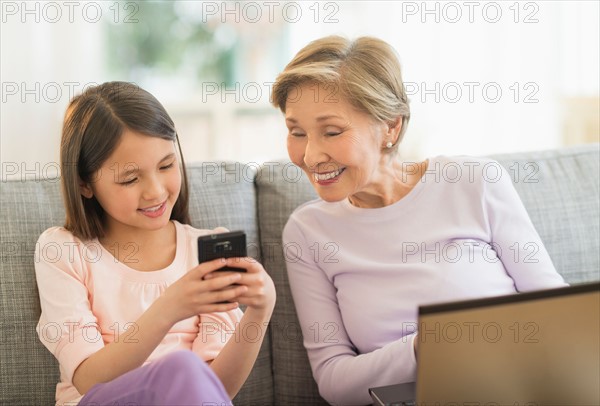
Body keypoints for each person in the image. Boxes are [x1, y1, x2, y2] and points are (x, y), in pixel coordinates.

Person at [271, 36, 567, 405]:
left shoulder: (473, 182)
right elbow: (333, 381)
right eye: (296, 132)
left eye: (332, 132)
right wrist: (424, 346)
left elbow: (559, 313)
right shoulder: (308, 231)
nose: (311, 155)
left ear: (391, 127)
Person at [34, 81, 276, 406]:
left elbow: (217, 390)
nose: (156, 191)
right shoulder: (63, 250)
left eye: (166, 165)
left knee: (188, 372)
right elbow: (89, 379)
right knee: (182, 367)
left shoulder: (203, 249)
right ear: (84, 184)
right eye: (130, 179)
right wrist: (170, 307)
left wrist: (259, 312)